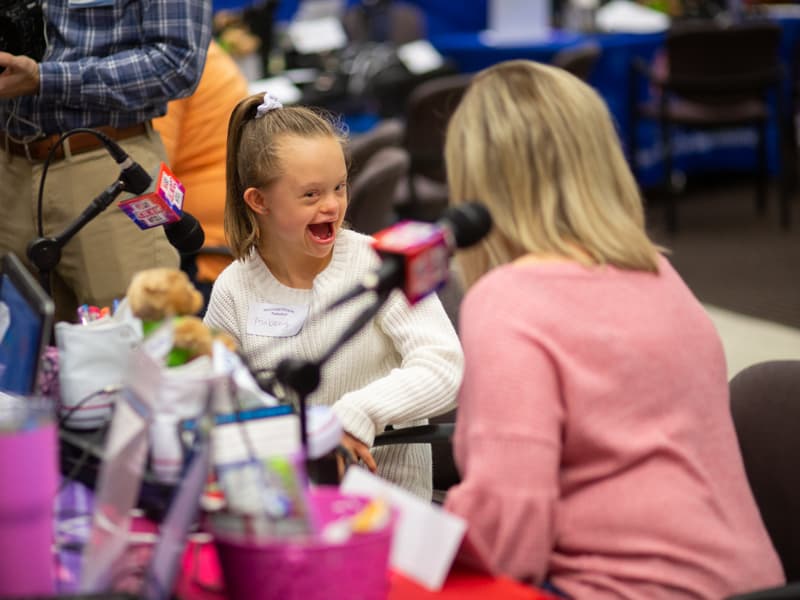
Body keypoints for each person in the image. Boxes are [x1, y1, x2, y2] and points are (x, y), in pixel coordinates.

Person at [442, 60, 784, 598]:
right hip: (748, 581)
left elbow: (508, 543)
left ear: (474, 185)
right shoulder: (655, 269)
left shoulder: (505, 301)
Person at [203, 92, 463, 499]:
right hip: (285, 503)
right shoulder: (234, 288)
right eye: (310, 195)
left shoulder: (380, 263)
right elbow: (217, 398)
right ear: (259, 201)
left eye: (339, 187)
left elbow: (445, 368)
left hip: (388, 505)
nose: (332, 206)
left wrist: (358, 413)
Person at [0, 0, 211, 323]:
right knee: (23, 358)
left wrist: (47, 78)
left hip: (108, 166)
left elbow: (177, 63)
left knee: (137, 346)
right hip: (9, 167)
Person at [152, 39, 249, 306]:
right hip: (224, 243)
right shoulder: (195, 49)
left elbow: (151, 176)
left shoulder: (168, 62)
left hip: (205, 258)